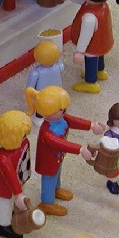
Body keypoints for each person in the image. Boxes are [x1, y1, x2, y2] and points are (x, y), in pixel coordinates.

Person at [24, 86, 104, 216]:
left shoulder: (61, 118)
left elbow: (74, 121)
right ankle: (47, 202)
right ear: (49, 112)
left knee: (57, 174)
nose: (65, 112)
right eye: (62, 110)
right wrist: (80, 149)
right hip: (48, 162)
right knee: (49, 179)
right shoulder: (47, 133)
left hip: (58, 157)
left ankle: (56, 189)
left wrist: (91, 125)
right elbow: (61, 144)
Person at [70, 0, 119, 93]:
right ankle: (100, 71)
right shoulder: (102, 5)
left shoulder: (89, 17)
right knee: (99, 56)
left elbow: (85, 36)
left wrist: (80, 52)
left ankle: (91, 83)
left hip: (92, 46)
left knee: (91, 60)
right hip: (102, 42)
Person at [0, 110, 33, 238]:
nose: (25, 136)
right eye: (22, 134)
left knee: (17, 198)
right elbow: (9, 176)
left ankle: (16, 210)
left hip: (20, 177)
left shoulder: (24, 142)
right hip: (4, 186)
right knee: (4, 203)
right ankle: (4, 225)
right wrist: (18, 193)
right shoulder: (3, 158)